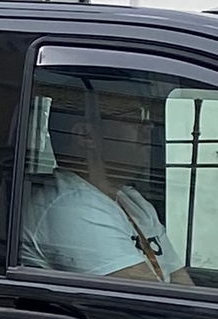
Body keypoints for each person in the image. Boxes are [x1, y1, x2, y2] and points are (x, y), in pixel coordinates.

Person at [22, 84, 183, 283]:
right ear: (86, 136)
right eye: (134, 116)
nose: (148, 127)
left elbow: (184, 287)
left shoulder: (131, 200)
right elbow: (153, 304)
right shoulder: (73, 209)